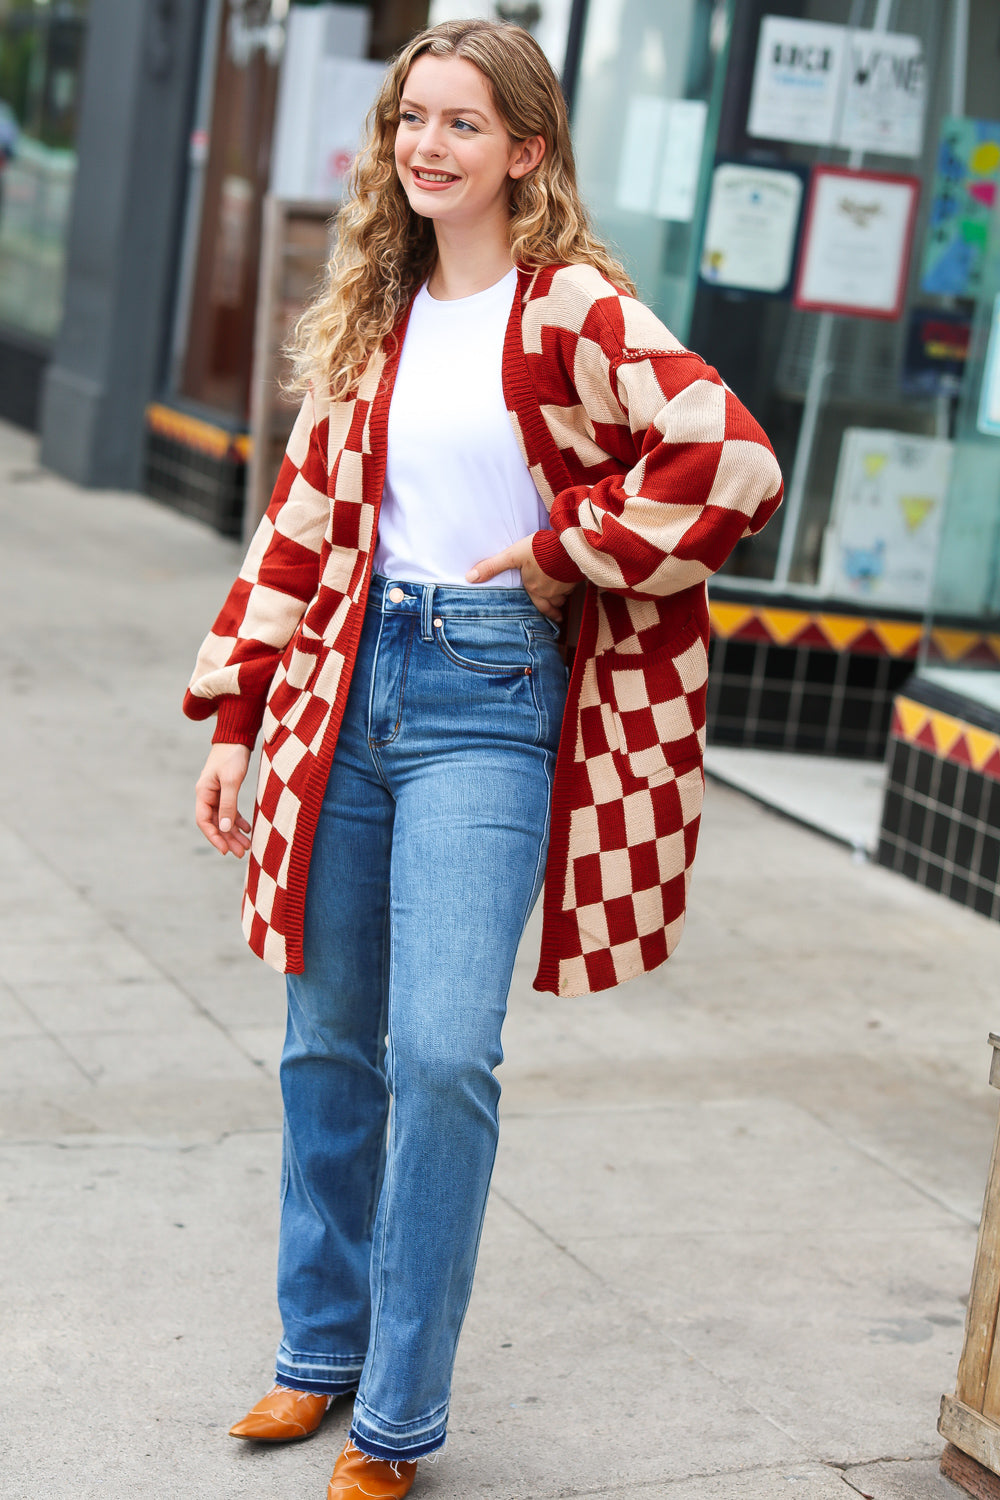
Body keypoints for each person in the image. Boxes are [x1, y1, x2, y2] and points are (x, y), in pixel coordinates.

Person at [184, 18, 782, 1499]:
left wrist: (572, 546)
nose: (428, 145)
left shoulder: (568, 307)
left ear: (526, 148)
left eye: (462, 122)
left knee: (444, 1056)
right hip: (346, 685)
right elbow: (304, 532)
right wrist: (242, 716)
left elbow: (734, 452)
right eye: (412, 118)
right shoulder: (376, 311)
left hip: (488, 698)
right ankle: (315, 1351)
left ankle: (394, 1415)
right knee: (328, 1046)